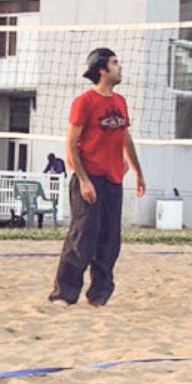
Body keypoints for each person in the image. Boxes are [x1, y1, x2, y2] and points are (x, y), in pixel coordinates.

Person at [49, 46, 146, 308]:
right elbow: (70, 145)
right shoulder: (85, 101)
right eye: (115, 63)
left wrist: (137, 171)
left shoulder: (120, 102)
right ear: (102, 70)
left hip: (113, 180)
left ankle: (99, 295)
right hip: (89, 178)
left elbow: (125, 138)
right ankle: (64, 294)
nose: (120, 67)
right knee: (82, 236)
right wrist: (83, 180)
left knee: (110, 240)